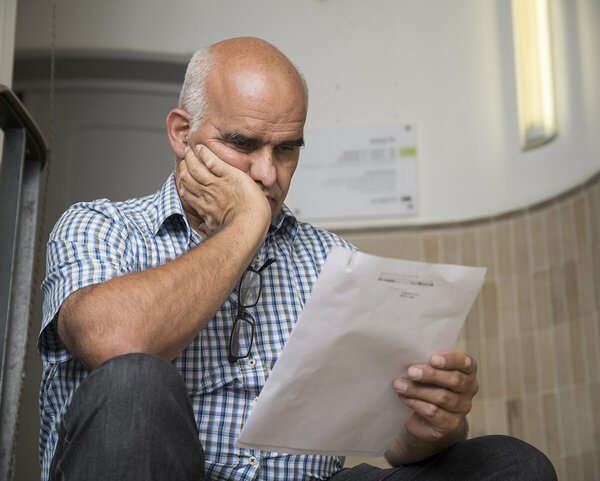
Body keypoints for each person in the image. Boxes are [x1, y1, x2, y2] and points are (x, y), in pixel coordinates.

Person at [39, 37, 556, 481]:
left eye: (287, 149)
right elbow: (116, 344)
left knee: (512, 464)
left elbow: (388, 446)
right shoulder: (101, 226)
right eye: (242, 144)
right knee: (136, 383)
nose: (267, 173)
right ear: (182, 134)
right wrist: (245, 227)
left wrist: (430, 426)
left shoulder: (335, 259)